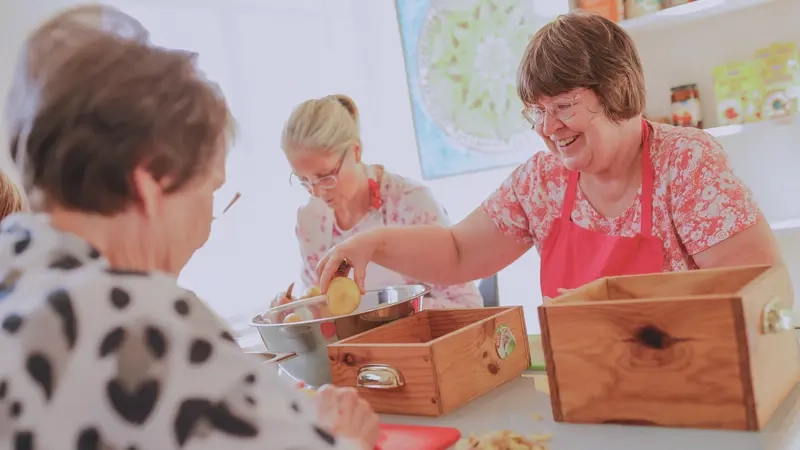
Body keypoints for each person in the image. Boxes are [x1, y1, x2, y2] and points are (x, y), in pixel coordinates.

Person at [0, 5, 378, 450]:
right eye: (210, 191)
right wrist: (342, 438)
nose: (204, 229)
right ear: (152, 184)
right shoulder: (147, 324)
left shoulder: (16, 265)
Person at [315, 12, 781, 300]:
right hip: (585, 388)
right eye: (536, 111)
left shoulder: (684, 163)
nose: (547, 128)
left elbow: (758, 287)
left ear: (615, 90)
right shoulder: (541, 182)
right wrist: (372, 244)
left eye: (563, 107)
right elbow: (458, 252)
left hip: (693, 387)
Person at [281, 95, 482, 308]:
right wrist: (295, 309)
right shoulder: (310, 220)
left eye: (325, 176)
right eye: (303, 179)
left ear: (356, 151)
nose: (316, 192)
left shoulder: (412, 203)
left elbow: (467, 304)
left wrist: (383, 314)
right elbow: (321, 304)